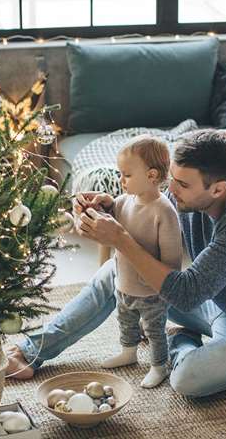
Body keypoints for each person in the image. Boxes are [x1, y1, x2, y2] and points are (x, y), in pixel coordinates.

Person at [6, 130, 226, 398]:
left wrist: (120, 239)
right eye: (171, 177)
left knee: (188, 380)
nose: (170, 187)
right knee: (115, 271)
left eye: (182, 183)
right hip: (213, 300)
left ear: (219, 188)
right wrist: (110, 206)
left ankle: (180, 339)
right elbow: (152, 208)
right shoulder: (188, 194)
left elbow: (187, 293)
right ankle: (31, 351)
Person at [84, 135, 182, 388]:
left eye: (126, 175)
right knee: (125, 322)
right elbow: (112, 216)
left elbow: (172, 266)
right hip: (124, 284)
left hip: (150, 292)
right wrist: (103, 203)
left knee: (154, 331)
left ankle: (159, 365)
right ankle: (128, 353)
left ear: (151, 176)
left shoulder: (164, 212)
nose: (120, 180)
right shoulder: (125, 200)